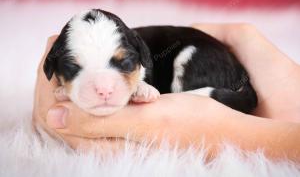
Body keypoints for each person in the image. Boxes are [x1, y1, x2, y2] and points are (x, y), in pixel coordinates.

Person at [33, 23, 300, 161]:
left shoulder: (140, 52)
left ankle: (203, 93)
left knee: (187, 64)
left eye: (123, 63)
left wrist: (246, 135)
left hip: (197, 56)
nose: (104, 86)